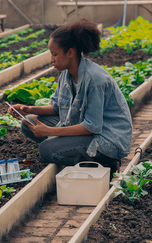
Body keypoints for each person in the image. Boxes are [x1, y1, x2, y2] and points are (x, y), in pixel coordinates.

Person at [8, 19, 132, 178]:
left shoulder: (95, 80)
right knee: (28, 122)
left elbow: (92, 126)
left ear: (71, 53)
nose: (51, 59)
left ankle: (104, 162)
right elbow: (56, 108)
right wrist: (27, 109)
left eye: (55, 54)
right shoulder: (66, 74)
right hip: (86, 128)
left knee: (46, 150)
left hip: (106, 139)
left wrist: (50, 131)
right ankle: (68, 148)